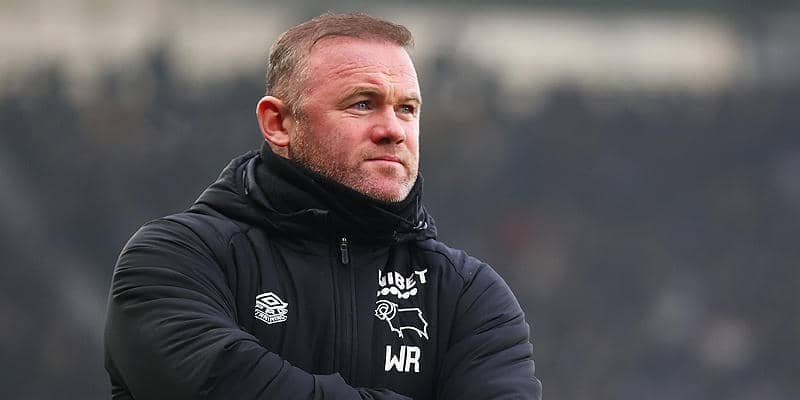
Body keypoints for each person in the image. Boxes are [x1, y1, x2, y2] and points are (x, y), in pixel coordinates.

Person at [104, 12, 542, 400]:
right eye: (363, 104)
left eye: (407, 109)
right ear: (278, 123)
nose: (393, 129)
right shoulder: (176, 259)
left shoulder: (466, 294)